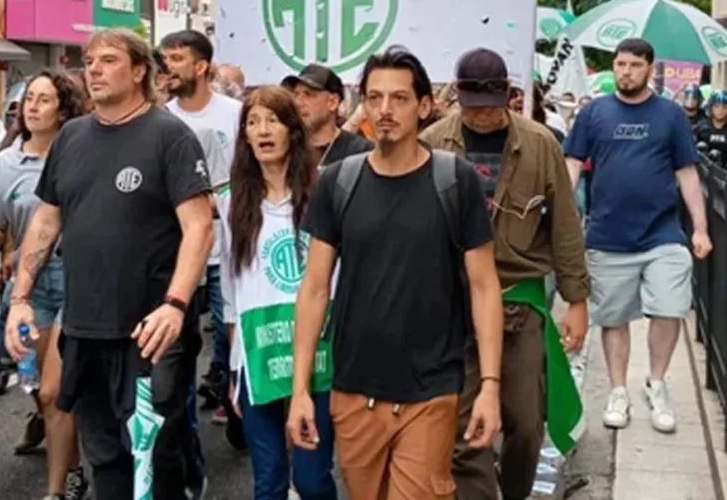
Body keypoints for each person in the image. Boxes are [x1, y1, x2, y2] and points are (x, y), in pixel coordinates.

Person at [5, 28, 214, 499]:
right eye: (89, 61)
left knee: (155, 457)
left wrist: (175, 305)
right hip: (85, 328)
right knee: (105, 456)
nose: (94, 70)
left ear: (139, 71)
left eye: (108, 60)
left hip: (150, 332)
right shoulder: (72, 136)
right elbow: (46, 221)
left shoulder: (170, 136)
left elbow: (200, 227)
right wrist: (20, 298)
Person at [288, 46, 502, 500]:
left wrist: (489, 385)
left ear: (424, 106)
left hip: (431, 391)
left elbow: (484, 288)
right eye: (374, 97)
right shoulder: (338, 182)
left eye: (399, 98)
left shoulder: (455, 180)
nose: (385, 110)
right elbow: (314, 288)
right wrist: (300, 389)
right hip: (354, 390)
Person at [420, 48, 589, 500]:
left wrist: (576, 300)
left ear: (509, 96)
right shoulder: (433, 143)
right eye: (473, 106)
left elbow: (565, 225)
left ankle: (514, 490)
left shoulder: (539, 144)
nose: (482, 115)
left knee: (527, 422)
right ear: (458, 97)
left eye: (491, 106)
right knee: (464, 427)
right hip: (454, 303)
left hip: (519, 300)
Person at [565, 37, 711, 434]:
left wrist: (700, 228)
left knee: (670, 308)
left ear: (649, 68)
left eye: (633, 65)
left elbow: (687, 172)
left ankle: (656, 384)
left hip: (663, 234)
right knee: (613, 318)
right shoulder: (594, 113)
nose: (625, 72)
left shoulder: (671, 115)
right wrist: (561, 216)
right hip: (608, 235)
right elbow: (573, 164)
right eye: (620, 64)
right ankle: (618, 391)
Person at [220, 86, 337, 500]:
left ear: (293, 131)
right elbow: (231, 290)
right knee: (268, 480)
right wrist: (235, 369)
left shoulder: (324, 194)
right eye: (253, 122)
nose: (263, 130)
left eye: (273, 120)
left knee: (312, 478)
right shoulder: (231, 203)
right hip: (258, 349)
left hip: (319, 349)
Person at [0, 70, 88, 500]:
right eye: (29, 99)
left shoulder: (82, 153)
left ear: (64, 110)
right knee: (41, 391)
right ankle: (69, 457)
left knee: (54, 390)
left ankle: (58, 488)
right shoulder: (5, 162)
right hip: (29, 284)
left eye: (44, 100)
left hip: (78, 278)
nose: (32, 107)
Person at [159, 30, 240, 422]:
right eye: (166, 59)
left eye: (177, 59)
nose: (168, 67)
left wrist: (214, 204)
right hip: (178, 252)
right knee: (179, 346)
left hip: (228, 247)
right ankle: (186, 433)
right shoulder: (160, 118)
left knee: (228, 333)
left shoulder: (235, 115)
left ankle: (235, 400)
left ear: (202, 66)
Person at [282, 64, 373, 166]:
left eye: (308, 94)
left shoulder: (360, 152)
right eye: (296, 95)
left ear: (332, 102)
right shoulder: (284, 149)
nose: (298, 102)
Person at [695, 90, 727, 162]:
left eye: (725, 107)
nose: (720, 110)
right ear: (711, 107)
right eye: (717, 106)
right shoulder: (701, 127)